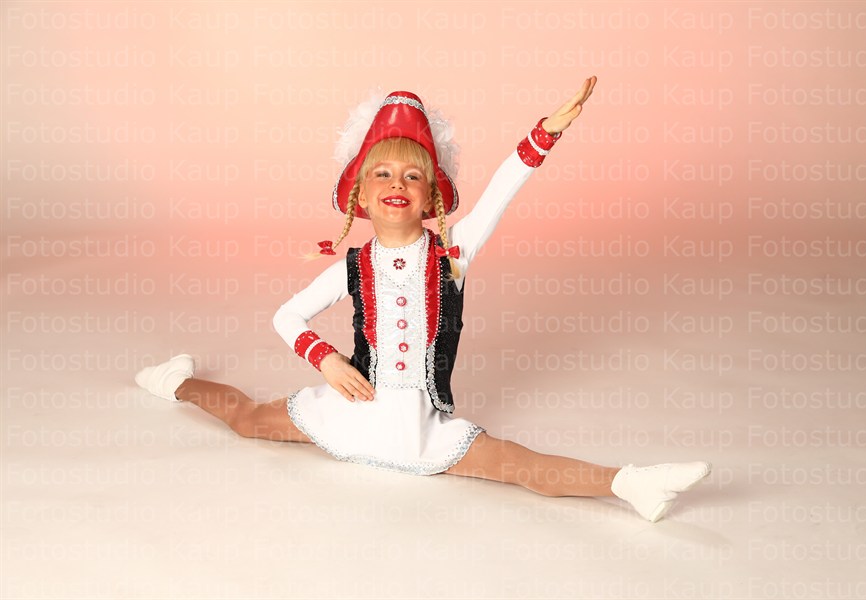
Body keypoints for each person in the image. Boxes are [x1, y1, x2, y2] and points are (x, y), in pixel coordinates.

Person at [135, 77, 711, 522]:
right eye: (382, 174)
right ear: (360, 197)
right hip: (347, 417)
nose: (397, 184)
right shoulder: (353, 265)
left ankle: (631, 484)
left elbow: (501, 190)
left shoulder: (453, 253)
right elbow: (287, 315)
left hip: (422, 432)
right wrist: (327, 360)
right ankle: (177, 381)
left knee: (522, 466)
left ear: (432, 195)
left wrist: (545, 133)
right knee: (247, 421)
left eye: (413, 177)